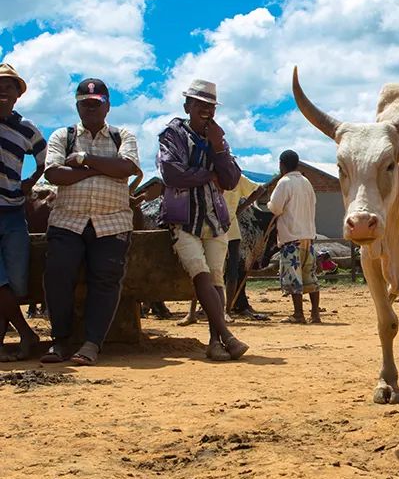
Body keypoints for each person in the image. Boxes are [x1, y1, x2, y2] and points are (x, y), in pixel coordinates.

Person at [39, 78, 140, 365]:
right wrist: (99, 170)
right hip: (67, 220)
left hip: (112, 222)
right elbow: (54, 175)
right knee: (58, 276)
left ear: (107, 106)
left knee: (106, 280)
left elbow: (127, 168)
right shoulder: (63, 135)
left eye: (97, 103)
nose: (91, 107)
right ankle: (59, 342)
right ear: (77, 105)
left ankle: (92, 344)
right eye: (85, 103)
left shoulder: (124, 137)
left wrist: (83, 160)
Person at [158, 79, 248, 361]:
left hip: (214, 218)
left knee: (216, 278)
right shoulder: (172, 133)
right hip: (183, 218)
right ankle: (228, 336)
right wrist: (209, 175)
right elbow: (172, 173)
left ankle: (214, 341)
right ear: (187, 106)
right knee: (201, 272)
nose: (206, 111)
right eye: (200, 105)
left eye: (210, 106)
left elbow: (232, 180)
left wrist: (218, 147)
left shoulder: (218, 138)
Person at [0, 64, 46, 362]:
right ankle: (28, 334)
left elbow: (44, 159)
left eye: (9, 87)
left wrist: (29, 182)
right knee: (0, 280)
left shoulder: (26, 128)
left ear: (18, 95)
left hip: (14, 211)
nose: (3, 92)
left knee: (14, 281)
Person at [177, 173, 260, 326]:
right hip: (208, 228)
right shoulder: (205, 175)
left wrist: (240, 208)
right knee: (202, 269)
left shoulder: (237, 177)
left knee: (231, 272)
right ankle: (192, 312)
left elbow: (259, 190)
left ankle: (226, 311)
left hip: (231, 230)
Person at [267, 150, 320, 323]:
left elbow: (276, 208)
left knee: (294, 277)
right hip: (308, 237)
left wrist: (268, 204)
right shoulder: (306, 182)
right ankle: (315, 314)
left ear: (281, 164)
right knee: (310, 276)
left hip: (291, 237)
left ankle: (298, 314)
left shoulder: (284, 182)